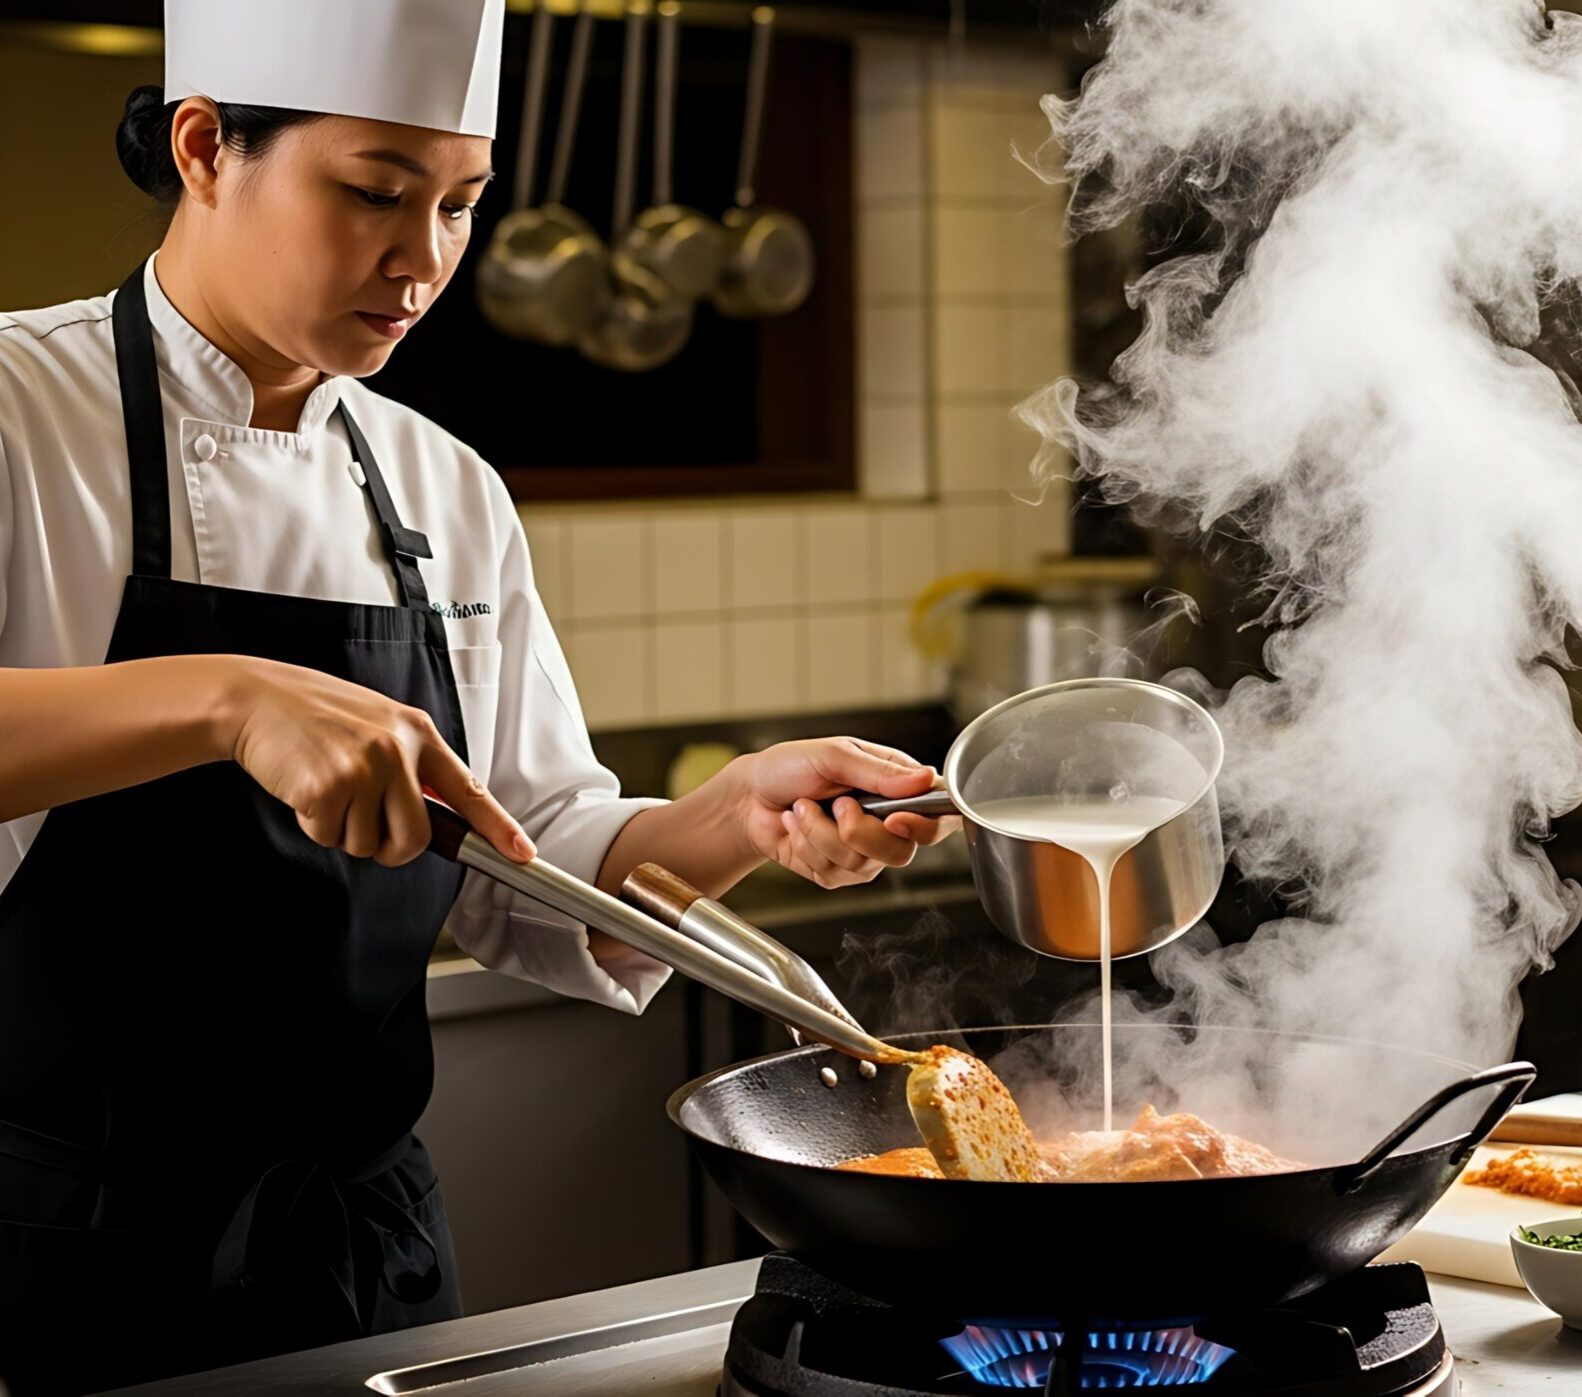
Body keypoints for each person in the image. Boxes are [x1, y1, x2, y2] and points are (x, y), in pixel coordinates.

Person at [0, 2, 954, 1390]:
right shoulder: (22, 413)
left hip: (368, 1258)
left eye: (459, 205)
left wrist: (732, 818)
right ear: (206, 147)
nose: (425, 260)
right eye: (375, 194)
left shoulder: (441, 483)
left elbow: (531, 852)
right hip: (61, 1261)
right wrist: (226, 696)